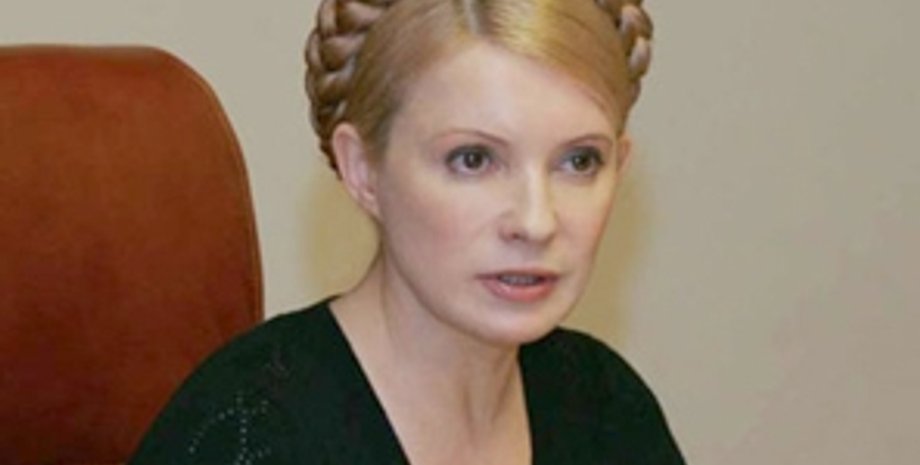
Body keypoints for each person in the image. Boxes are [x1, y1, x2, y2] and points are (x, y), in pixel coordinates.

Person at [129, 0, 685, 464]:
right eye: (473, 159)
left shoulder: (607, 410)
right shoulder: (246, 436)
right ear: (362, 169)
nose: (536, 222)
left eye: (580, 162)